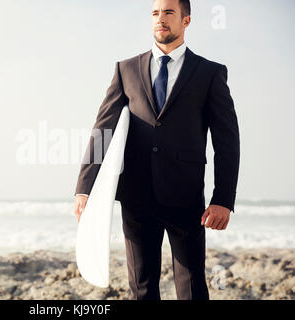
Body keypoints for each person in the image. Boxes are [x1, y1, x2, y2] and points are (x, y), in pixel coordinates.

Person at [73, 0, 240, 300]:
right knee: (141, 287)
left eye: (169, 12)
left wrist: (223, 199)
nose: (160, 19)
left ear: (186, 21)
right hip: (136, 198)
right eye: (155, 13)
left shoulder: (209, 73)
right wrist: (85, 187)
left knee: (191, 286)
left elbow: (227, 140)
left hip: (186, 198)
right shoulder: (126, 70)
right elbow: (103, 130)